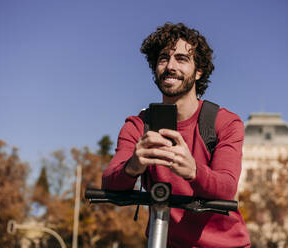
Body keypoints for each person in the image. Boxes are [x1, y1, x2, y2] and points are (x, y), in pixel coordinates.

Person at [102, 23, 250, 248]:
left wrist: (193, 171)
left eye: (181, 59)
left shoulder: (225, 122)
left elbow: (227, 188)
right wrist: (132, 167)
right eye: (163, 58)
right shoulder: (138, 125)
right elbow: (109, 181)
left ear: (199, 71)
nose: (170, 66)